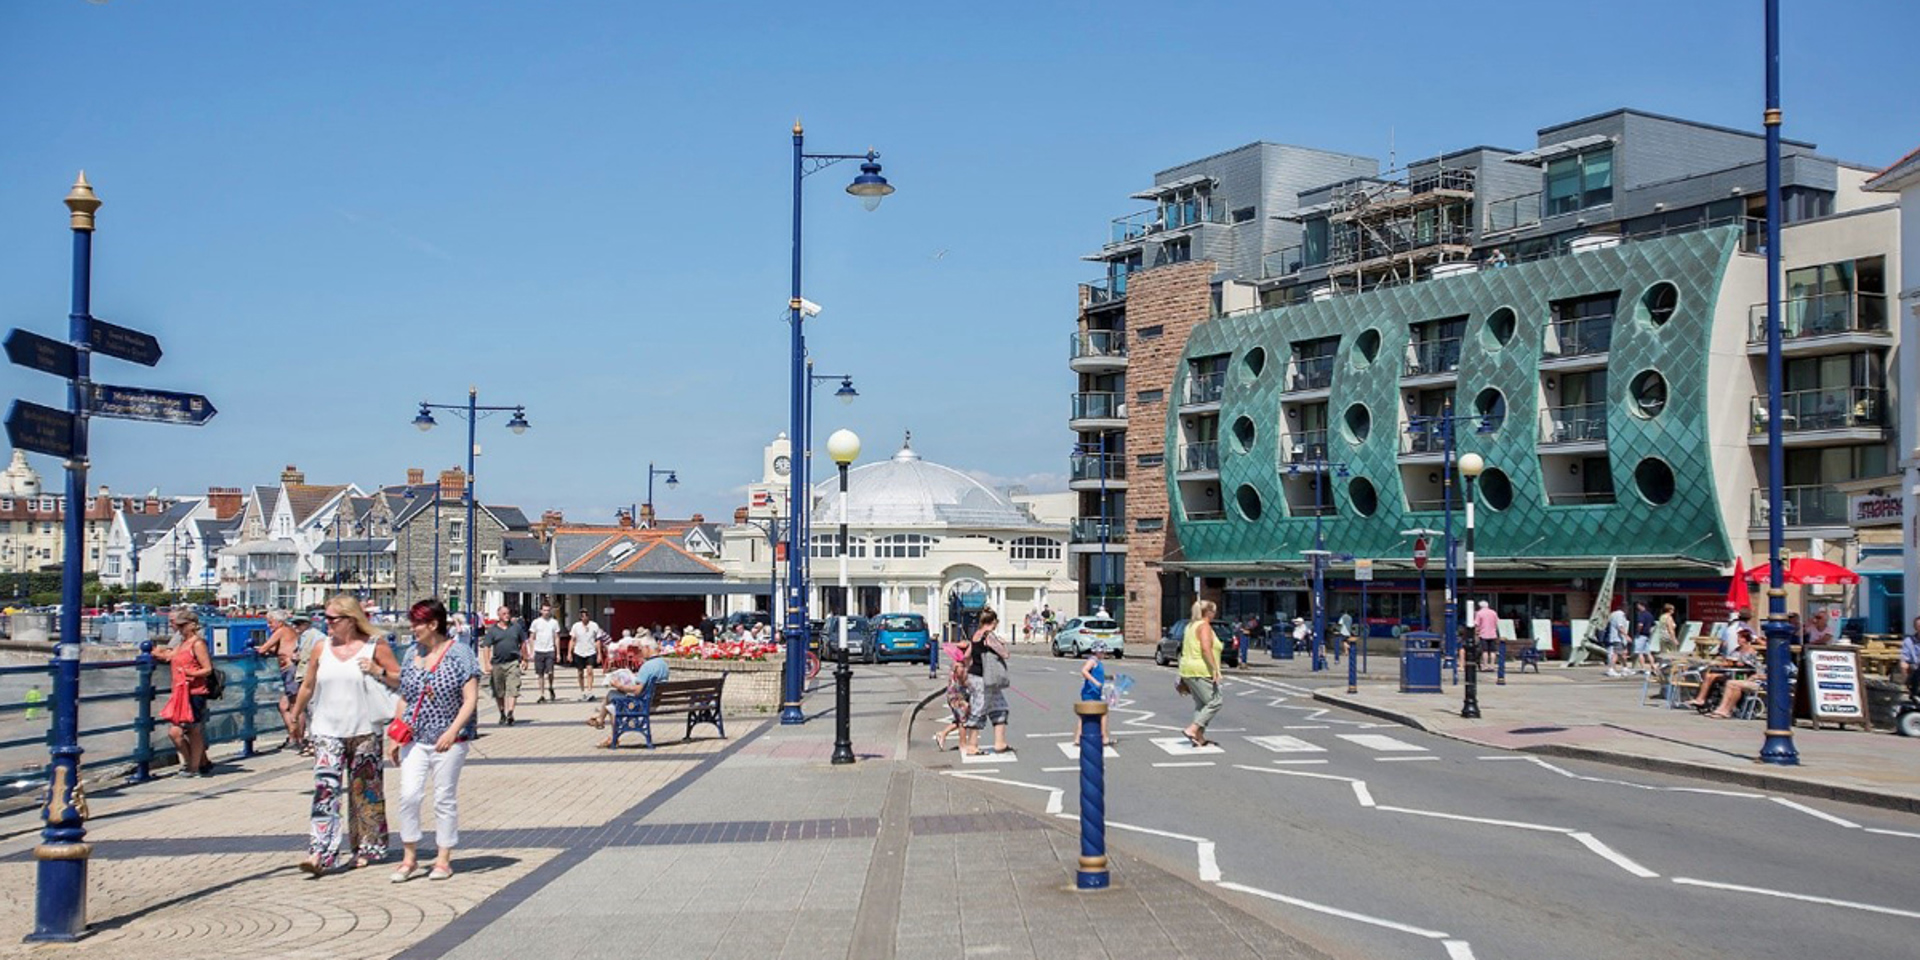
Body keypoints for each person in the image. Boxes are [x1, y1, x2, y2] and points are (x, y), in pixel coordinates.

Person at [289, 594, 401, 875]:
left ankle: (365, 847)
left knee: (365, 792)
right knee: (325, 790)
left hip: (365, 729)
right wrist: (295, 714)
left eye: (332, 619)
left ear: (350, 620)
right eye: (325, 618)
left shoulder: (375, 645)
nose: (326, 623)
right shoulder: (321, 648)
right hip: (327, 729)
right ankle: (320, 852)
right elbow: (308, 685)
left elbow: (399, 678)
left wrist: (377, 670)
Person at [387, 598, 480, 883]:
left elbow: (470, 699)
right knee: (409, 795)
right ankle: (409, 857)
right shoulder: (411, 654)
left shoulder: (460, 653)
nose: (412, 628)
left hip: (449, 740)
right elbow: (405, 697)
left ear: (433, 624)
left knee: (443, 797)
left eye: (417, 623)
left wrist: (452, 731)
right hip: (414, 738)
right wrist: (396, 734)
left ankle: (443, 859)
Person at [155, 608, 215, 778]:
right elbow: (170, 656)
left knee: (193, 730)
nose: (179, 629)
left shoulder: (198, 643)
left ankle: (193, 767)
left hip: (195, 691)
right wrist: (154, 653)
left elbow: (207, 669)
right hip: (180, 692)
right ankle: (194, 764)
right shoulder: (182, 643)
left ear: (192, 625)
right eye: (178, 625)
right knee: (175, 732)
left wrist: (190, 673)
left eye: (183, 625)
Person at [586, 637, 669, 744]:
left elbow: (637, 691)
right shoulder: (663, 664)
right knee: (613, 697)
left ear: (647, 648)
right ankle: (602, 722)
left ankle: (610, 733)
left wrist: (620, 686)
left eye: (641, 649)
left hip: (642, 704)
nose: (640, 652)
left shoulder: (647, 666)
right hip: (654, 701)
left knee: (612, 700)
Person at [959, 609, 1012, 756]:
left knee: (1000, 706)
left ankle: (1000, 743)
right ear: (993, 622)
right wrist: (1002, 643)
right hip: (984, 678)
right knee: (979, 709)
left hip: (976, 676)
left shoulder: (975, 635)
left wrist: (966, 672)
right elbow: (1005, 654)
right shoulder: (989, 636)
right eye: (996, 622)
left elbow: (967, 655)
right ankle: (972, 745)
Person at [1179, 599, 1224, 748]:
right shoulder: (1204, 626)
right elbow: (1206, 649)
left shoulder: (1190, 626)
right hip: (1200, 670)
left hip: (1188, 669)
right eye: (1214, 611)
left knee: (1202, 704)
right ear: (1209, 612)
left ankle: (1199, 737)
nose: (1215, 614)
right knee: (1215, 702)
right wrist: (1215, 669)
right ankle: (1192, 729)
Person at [255, 609, 302, 749]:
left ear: (279, 622)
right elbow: (277, 649)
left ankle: (297, 738)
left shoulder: (282, 631)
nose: (268, 626)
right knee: (285, 706)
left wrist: (258, 650)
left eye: (271, 622)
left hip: (290, 669)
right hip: (289, 670)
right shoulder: (288, 631)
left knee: (293, 705)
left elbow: (263, 649)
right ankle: (294, 736)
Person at [479, 604, 526, 725]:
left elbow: (523, 643)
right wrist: (487, 663)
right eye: (504, 614)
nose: (507, 616)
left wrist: (525, 659)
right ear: (499, 615)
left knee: (513, 688)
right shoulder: (493, 630)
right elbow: (486, 647)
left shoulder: (516, 628)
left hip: (513, 662)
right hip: (498, 664)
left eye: (508, 613)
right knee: (499, 691)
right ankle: (502, 713)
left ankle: (510, 712)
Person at [932, 644, 969, 751]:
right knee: (963, 720)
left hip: (954, 695)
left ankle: (942, 734)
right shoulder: (959, 666)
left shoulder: (956, 664)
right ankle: (962, 744)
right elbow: (963, 681)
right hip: (957, 696)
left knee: (961, 719)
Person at [1079, 640, 1114, 746]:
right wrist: (1095, 682)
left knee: (1085, 716)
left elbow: (1098, 676)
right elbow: (1084, 671)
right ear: (1097, 651)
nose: (1104, 654)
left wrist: (1109, 677)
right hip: (1090, 692)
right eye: (1103, 652)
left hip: (1095, 692)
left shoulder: (1098, 662)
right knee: (1103, 713)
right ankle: (1104, 738)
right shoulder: (1092, 660)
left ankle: (1077, 738)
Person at [527, 603, 562, 703]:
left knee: (550, 672)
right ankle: (541, 694)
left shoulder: (554, 622)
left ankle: (550, 686)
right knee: (540, 674)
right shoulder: (536, 622)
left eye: (548, 610)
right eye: (544, 610)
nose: (546, 612)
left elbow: (557, 638)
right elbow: (531, 637)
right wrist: (531, 651)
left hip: (550, 650)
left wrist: (558, 653)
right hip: (539, 650)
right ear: (541, 611)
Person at [569, 610, 604, 700]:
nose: (584, 618)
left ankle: (589, 691)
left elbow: (598, 640)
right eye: (582, 616)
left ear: (588, 616)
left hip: (590, 651)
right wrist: (569, 653)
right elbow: (572, 640)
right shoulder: (576, 626)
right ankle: (582, 691)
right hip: (579, 651)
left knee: (590, 671)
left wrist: (599, 654)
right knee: (580, 672)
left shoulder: (594, 625)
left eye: (585, 616)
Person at [1604, 605, 1632, 677]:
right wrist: (1626, 636)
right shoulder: (1620, 615)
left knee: (1623, 654)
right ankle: (1611, 670)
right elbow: (1620, 627)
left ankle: (1625, 668)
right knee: (1616, 654)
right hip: (1618, 638)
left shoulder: (1613, 614)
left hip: (1616, 637)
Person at [1631, 601, 1656, 675]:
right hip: (1647, 635)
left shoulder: (1641, 615)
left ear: (1642, 606)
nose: (1637, 607)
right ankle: (1653, 667)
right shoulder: (1650, 615)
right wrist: (1649, 632)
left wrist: (1638, 631)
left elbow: (1640, 624)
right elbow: (1653, 626)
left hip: (1641, 635)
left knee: (1639, 652)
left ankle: (1643, 668)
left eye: (1638, 605)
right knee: (1648, 653)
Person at [1899, 616, 1920, 700]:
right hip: (1914, 666)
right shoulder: (1909, 641)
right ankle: (1911, 691)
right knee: (1905, 666)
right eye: (1919, 626)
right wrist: (1904, 663)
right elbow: (1904, 657)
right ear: (1915, 628)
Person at [1474, 601, 1499, 669]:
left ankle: (1485, 665)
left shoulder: (1479, 613)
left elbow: (1476, 624)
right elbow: (1497, 622)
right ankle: (1492, 665)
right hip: (1493, 634)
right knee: (1493, 651)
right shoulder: (1493, 612)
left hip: (1483, 634)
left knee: (1485, 651)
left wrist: (1476, 632)